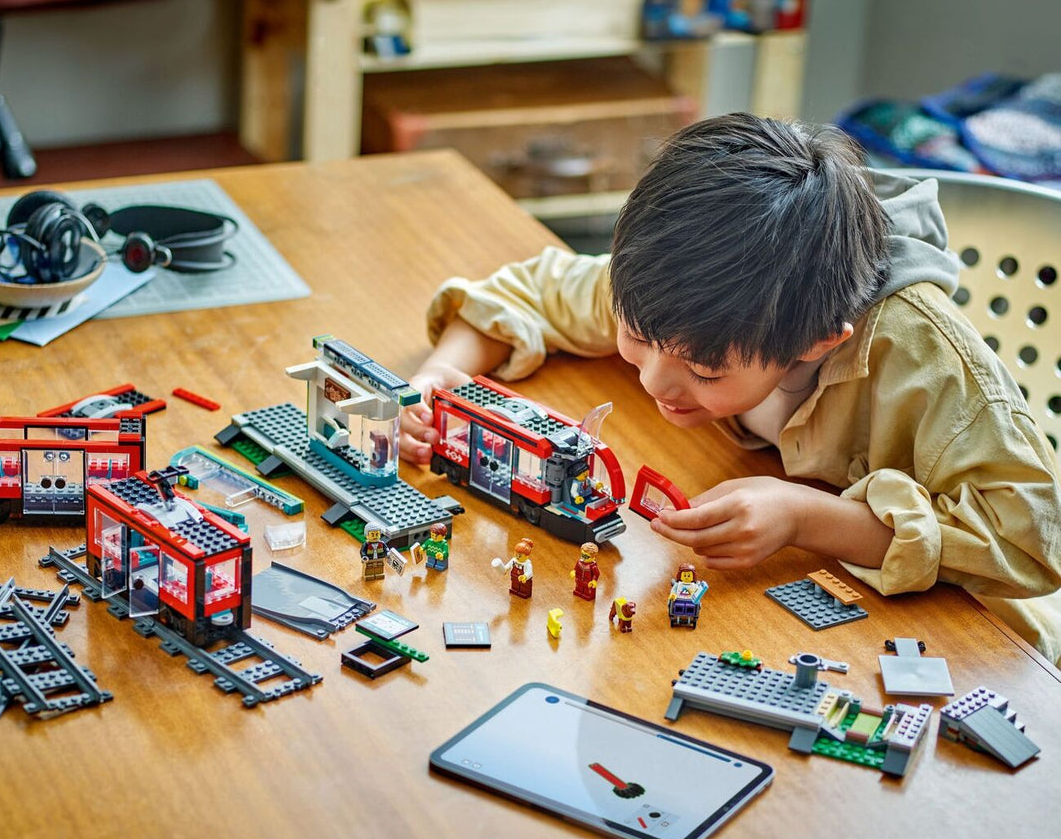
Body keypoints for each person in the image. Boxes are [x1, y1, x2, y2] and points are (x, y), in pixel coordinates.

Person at [401, 113, 1061, 662]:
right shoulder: (683, 288)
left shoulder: (922, 359)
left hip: (984, 645)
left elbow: (1028, 544)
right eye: (634, 335)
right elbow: (531, 291)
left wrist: (809, 518)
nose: (653, 380)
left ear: (818, 342)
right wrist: (438, 377)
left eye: (705, 372)